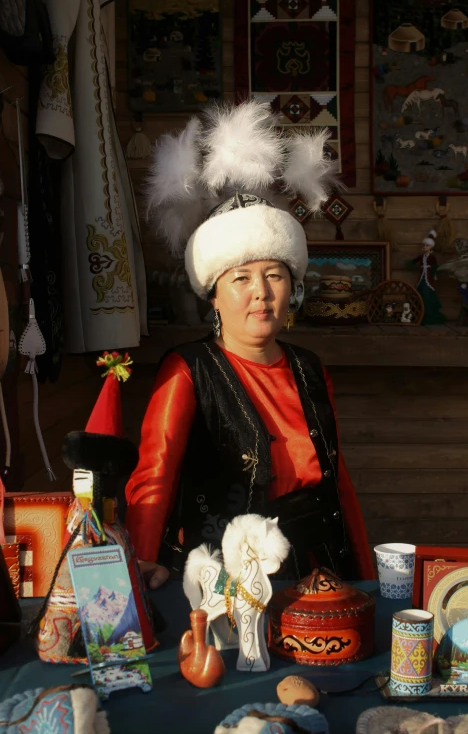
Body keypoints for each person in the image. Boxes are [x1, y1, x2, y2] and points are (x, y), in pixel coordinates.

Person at [125, 101, 375, 589]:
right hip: (223, 577)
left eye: (274, 276)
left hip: (322, 567)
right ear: (213, 296)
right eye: (241, 277)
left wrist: (364, 574)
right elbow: (155, 472)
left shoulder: (308, 367)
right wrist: (141, 562)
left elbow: (337, 481)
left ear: (293, 288)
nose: (260, 292)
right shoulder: (187, 370)